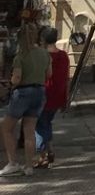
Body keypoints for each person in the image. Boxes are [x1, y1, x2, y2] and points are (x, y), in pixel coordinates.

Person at [0, 22, 50, 177]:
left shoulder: (20, 56)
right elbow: (48, 74)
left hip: (22, 92)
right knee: (29, 130)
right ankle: (29, 166)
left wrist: (9, 83)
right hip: (39, 92)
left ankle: (12, 162)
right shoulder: (44, 53)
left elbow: (17, 78)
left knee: (7, 127)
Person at [33, 27, 68, 169]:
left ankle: (42, 155)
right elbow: (66, 77)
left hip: (44, 93)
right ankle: (51, 149)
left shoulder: (42, 56)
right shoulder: (64, 56)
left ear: (43, 40)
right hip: (58, 94)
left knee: (40, 125)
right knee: (47, 122)